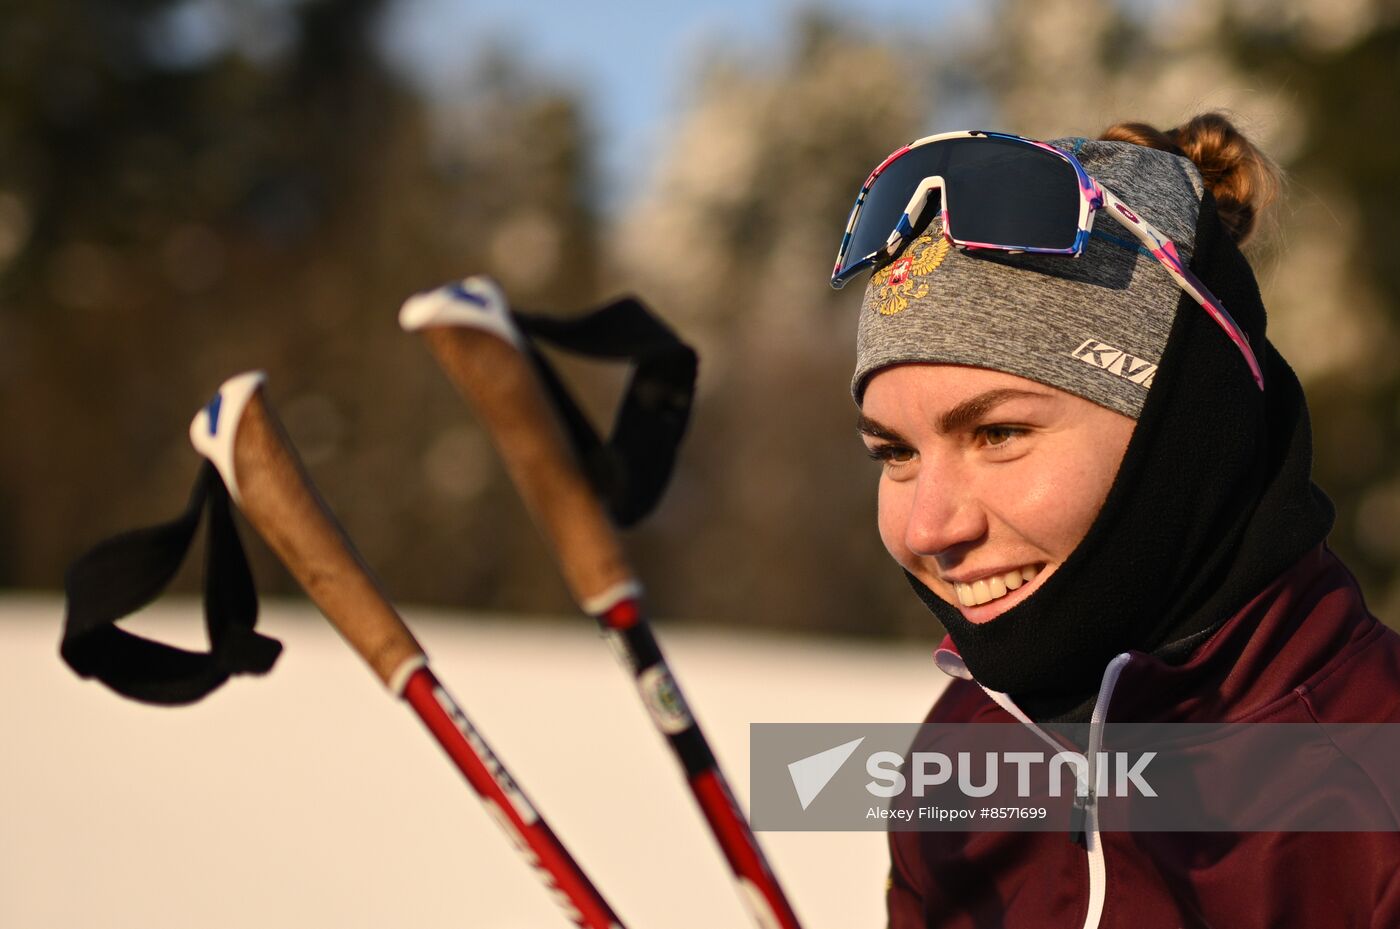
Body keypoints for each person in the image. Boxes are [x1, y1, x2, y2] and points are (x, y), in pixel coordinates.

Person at [831, 115, 1400, 928]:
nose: (927, 527)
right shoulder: (964, 754)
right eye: (895, 453)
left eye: (998, 434)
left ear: (1184, 430)